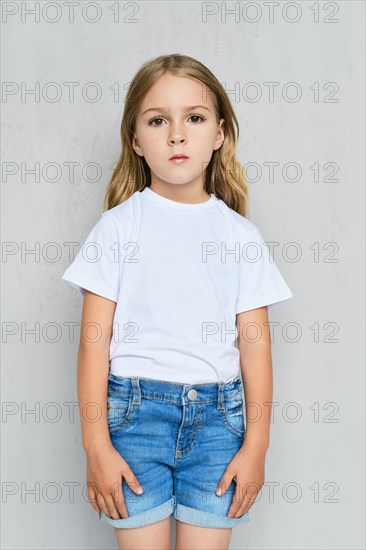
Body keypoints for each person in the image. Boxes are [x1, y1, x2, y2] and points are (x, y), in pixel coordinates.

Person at [61, 53, 294, 550]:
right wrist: (95, 444)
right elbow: (92, 345)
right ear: (135, 140)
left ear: (220, 134)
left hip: (217, 426)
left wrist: (258, 445)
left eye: (194, 117)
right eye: (157, 120)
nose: (176, 134)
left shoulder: (240, 236)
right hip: (134, 416)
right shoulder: (119, 229)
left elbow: (256, 348)